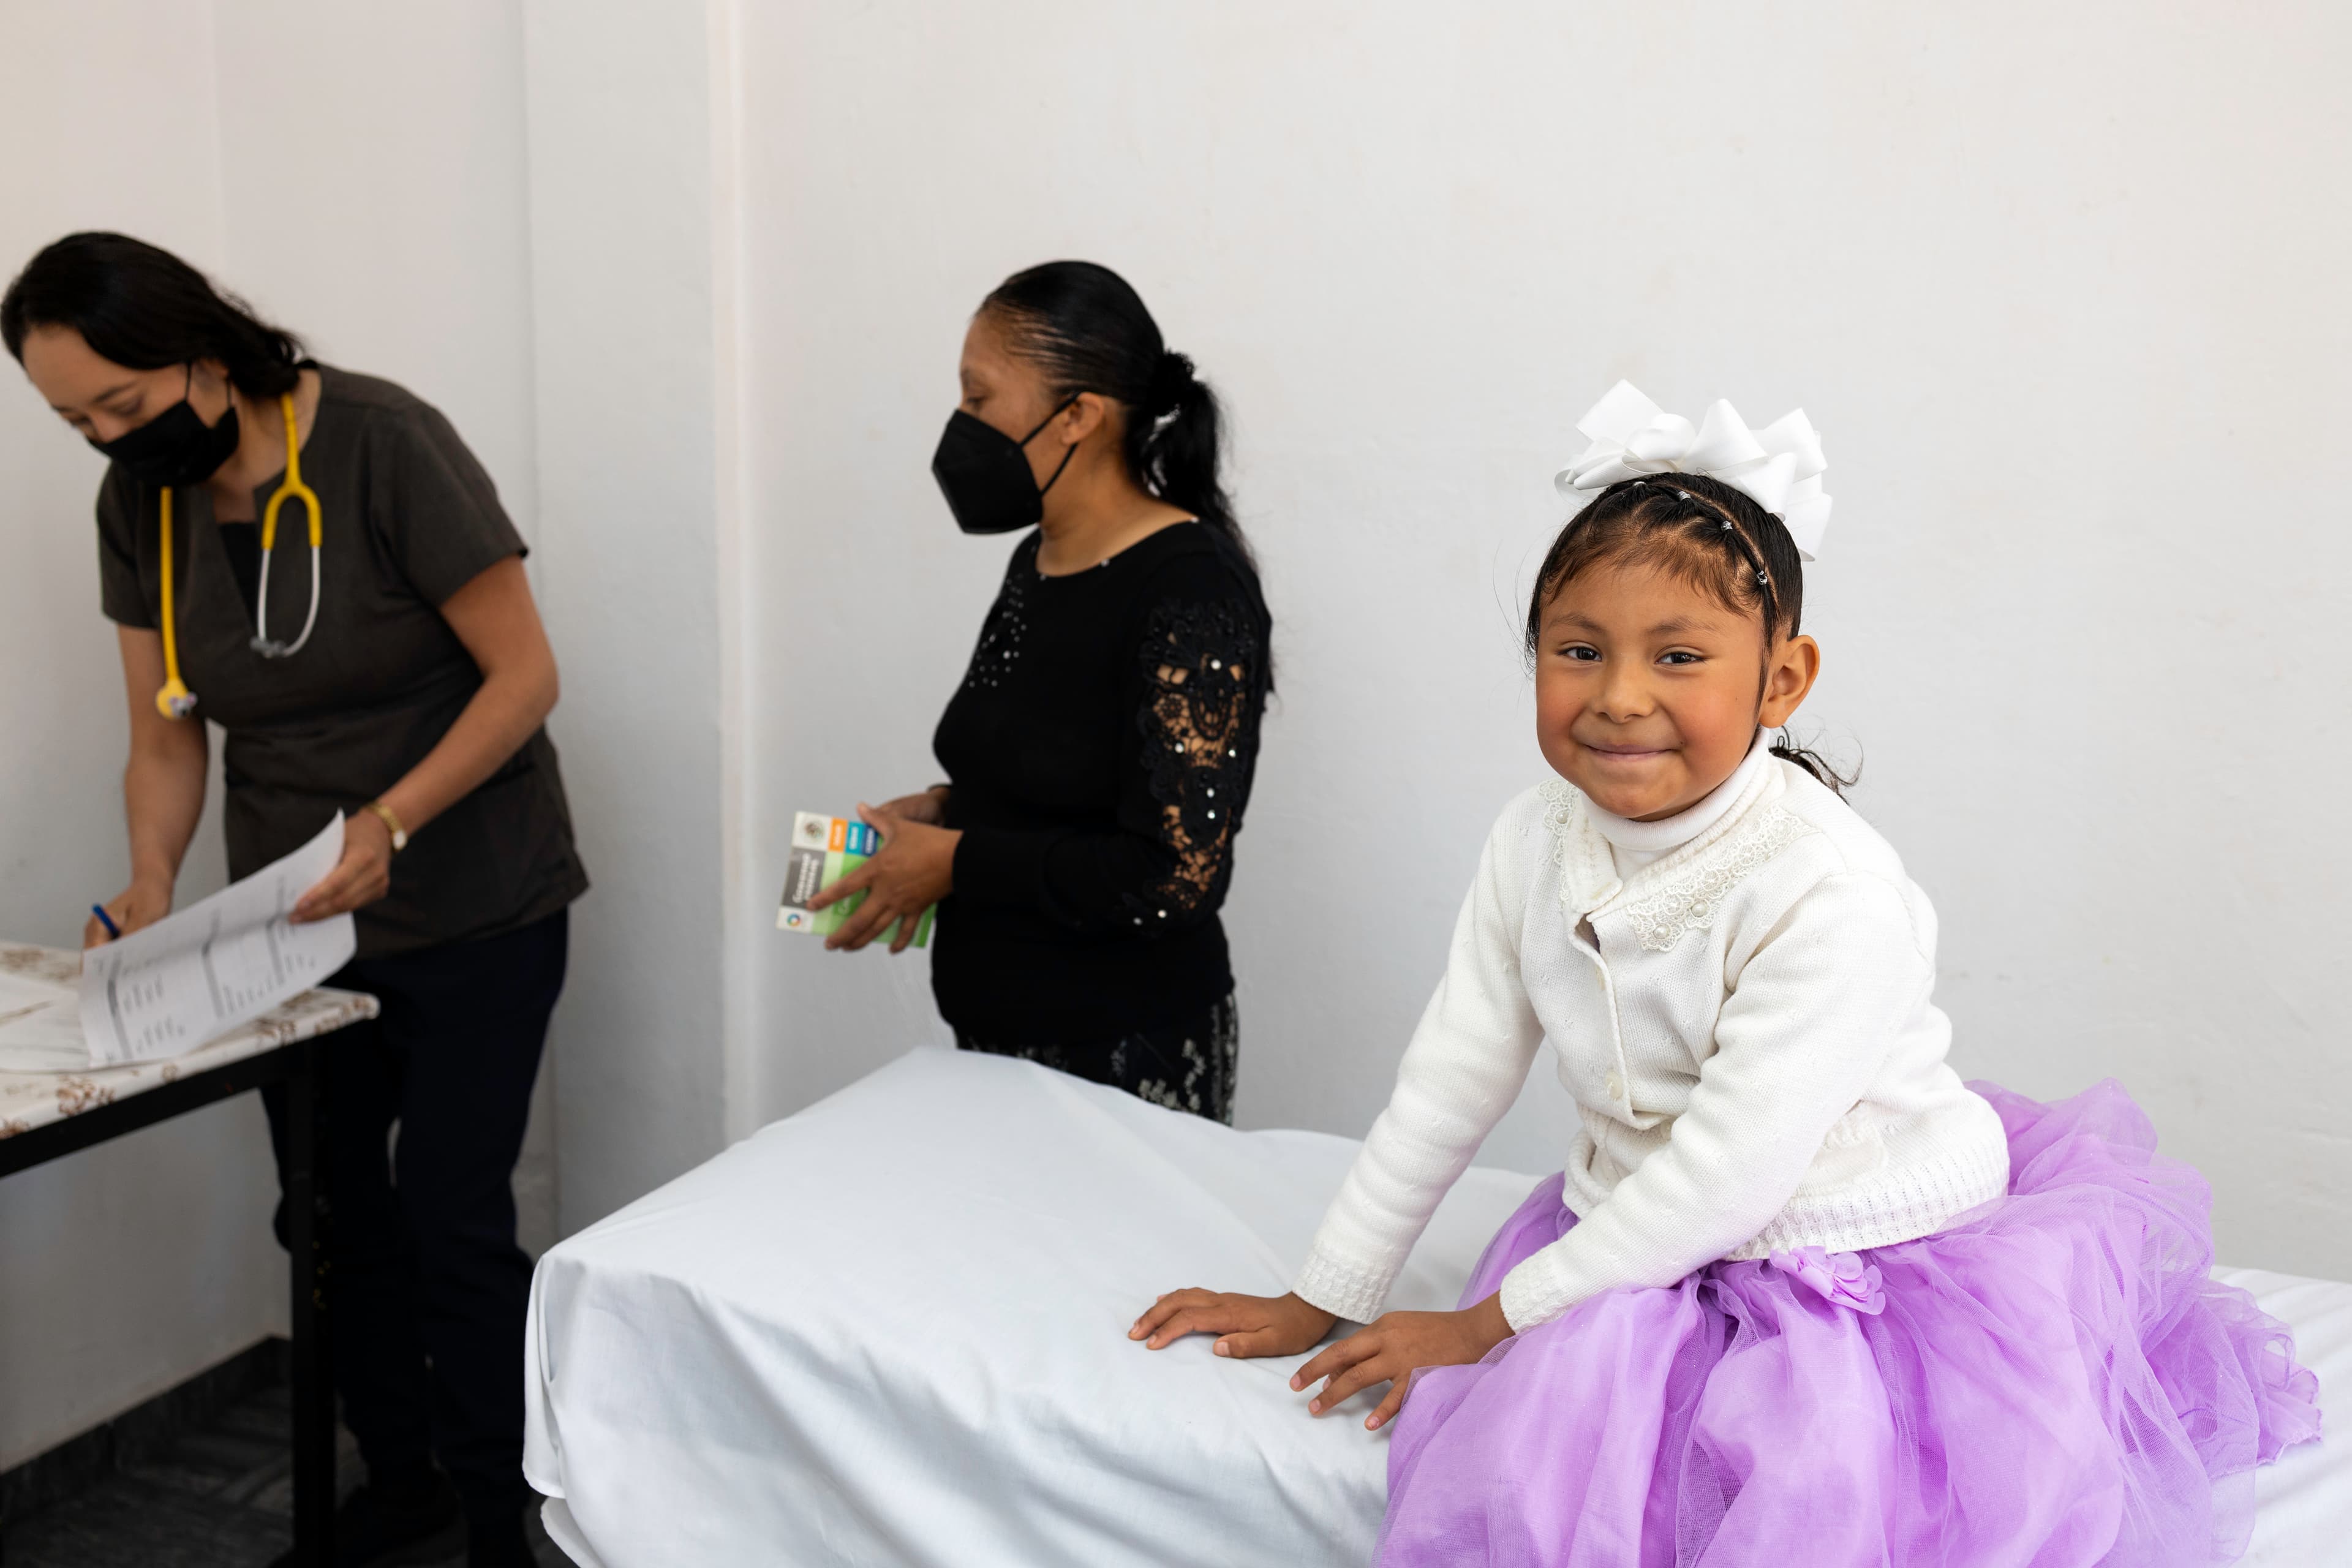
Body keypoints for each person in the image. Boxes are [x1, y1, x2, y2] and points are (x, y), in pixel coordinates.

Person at [1131, 385, 2321, 1564]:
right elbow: (1455, 1068)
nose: (1618, 696)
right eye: (1576, 649)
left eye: (1680, 654)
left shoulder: (1827, 892)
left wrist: (1485, 1325)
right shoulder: (1534, 839)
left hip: (1840, 1249)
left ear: (1783, 678)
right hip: (1640, 1213)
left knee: (1800, 1484)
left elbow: (1728, 1174)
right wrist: (1328, 1286)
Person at [4, 232, 587, 1568]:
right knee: (327, 1213)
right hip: (294, 929)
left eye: (123, 405)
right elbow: (165, 733)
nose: (104, 438)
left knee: (451, 1211)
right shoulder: (139, 509)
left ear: (205, 356)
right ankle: (402, 1479)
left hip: (474, 897)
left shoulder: (386, 443)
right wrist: (152, 876)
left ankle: (506, 1523)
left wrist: (392, 818)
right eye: (72, 419)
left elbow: (525, 675)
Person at [812, 261, 1271, 1124]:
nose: (961, 425)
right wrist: (949, 809)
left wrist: (953, 861)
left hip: (1122, 1055)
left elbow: (1174, 876)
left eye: (980, 398)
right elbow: (1059, 773)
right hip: (994, 1038)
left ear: (1079, 418)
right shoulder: (1039, 560)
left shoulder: (1190, 589)